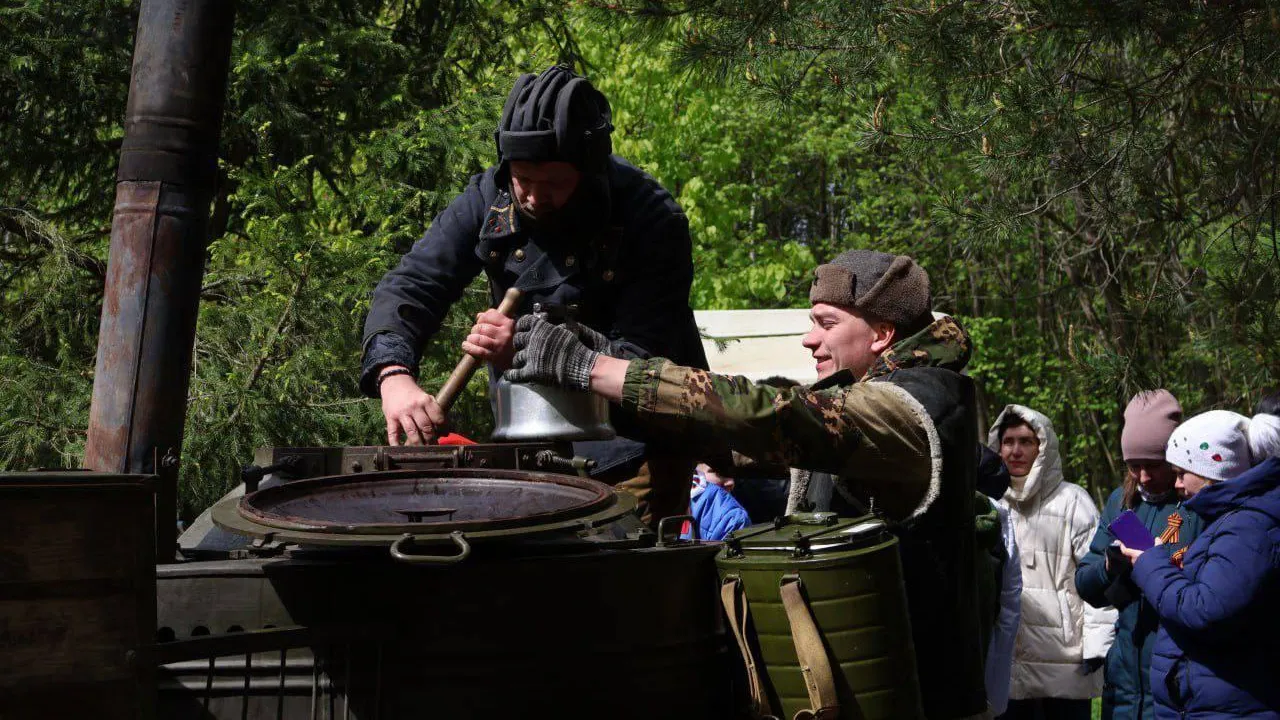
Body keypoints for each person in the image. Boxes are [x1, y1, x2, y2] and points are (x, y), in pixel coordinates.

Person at [507, 249, 990, 719]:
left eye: (826, 323)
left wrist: (595, 369)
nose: (808, 340)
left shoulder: (911, 408)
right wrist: (608, 360)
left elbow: (773, 417)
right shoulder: (869, 399)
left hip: (916, 700)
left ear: (883, 334)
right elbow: (728, 437)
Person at [359, 65, 708, 523]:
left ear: (590, 171)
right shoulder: (489, 195)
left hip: (637, 449)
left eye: (555, 184)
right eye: (523, 179)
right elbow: (413, 284)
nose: (534, 198)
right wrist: (393, 374)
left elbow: (642, 362)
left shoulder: (652, 220)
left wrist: (522, 345)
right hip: (524, 442)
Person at [1119, 410, 1280, 719]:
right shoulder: (1235, 520)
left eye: (1182, 473)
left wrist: (1150, 563)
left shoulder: (1247, 527)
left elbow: (1205, 610)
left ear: (1211, 472)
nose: (1177, 484)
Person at [1075, 391, 1204, 720]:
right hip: (1124, 680)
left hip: (1177, 678)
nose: (1143, 477)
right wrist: (1109, 565)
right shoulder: (1123, 502)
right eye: (1134, 466)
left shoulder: (1196, 506)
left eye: (1153, 465)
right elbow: (1086, 586)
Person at [989, 406, 1115, 720]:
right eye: (1008, 441)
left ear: (1043, 447)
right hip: (1007, 664)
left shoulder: (1073, 502)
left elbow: (1097, 575)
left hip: (1064, 662)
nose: (1015, 450)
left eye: (1026, 441)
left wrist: (1097, 645)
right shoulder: (989, 505)